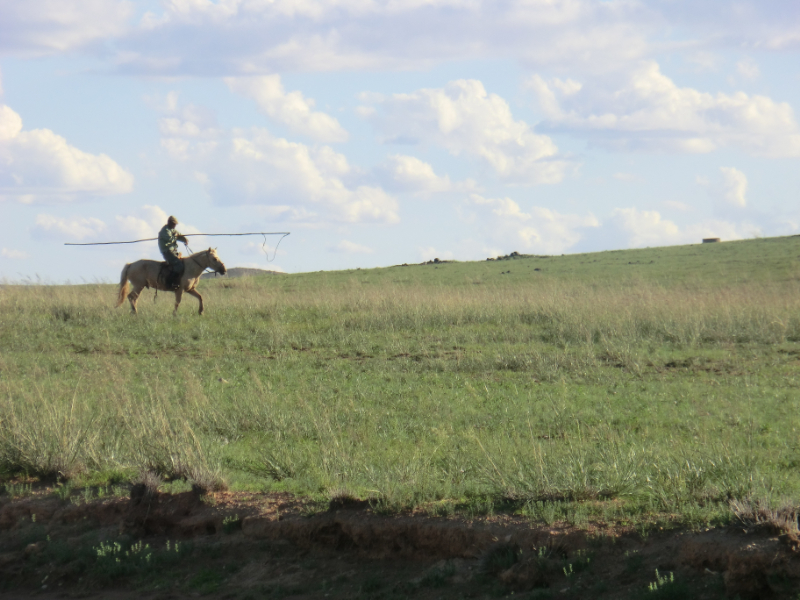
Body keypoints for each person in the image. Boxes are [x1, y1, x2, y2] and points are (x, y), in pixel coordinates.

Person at [158, 216, 188, 290]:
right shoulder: (165, 230)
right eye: (174, 224)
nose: (175, 226)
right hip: (167, 251)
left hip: (173, 250)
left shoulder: (172, 229)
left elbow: (178, 235)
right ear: (170, 223)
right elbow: (170, 239)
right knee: (179, 266)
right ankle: (169, 282)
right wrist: (176, 236)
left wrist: (184, 239)